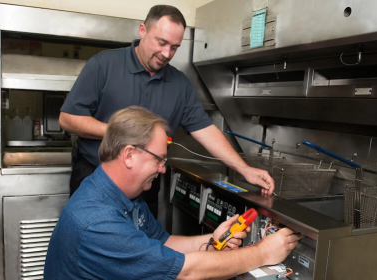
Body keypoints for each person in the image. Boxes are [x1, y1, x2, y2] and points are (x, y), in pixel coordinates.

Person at [59, 4, 276, 215]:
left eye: (174, 47)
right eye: (161, 42)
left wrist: (245, 169)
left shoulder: (180, 84)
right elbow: (68, 119)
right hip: (96, 177)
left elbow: (207, 131)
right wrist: (122, 133)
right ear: (143, 30)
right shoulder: (103, 64)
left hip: (146, 185)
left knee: (143, 248)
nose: (166, 53)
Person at [44, 106, 301, 280]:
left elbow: (162, 243)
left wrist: (214, 238)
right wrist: (262, 253)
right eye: (158, 159)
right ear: (130, 154)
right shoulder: (97, 223)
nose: (163, 170)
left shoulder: (122, 193)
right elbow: (185, 272)